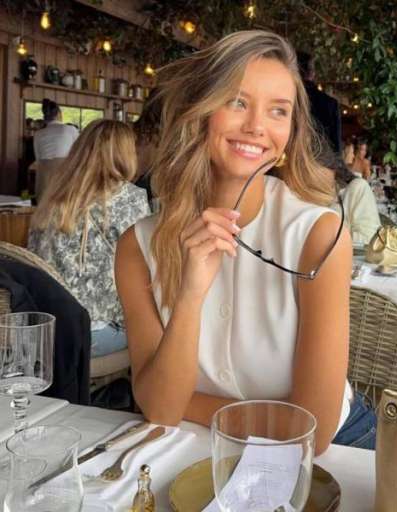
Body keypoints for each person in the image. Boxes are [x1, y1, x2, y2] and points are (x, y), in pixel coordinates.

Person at [115, 30, 376, 453]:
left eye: (278, 111)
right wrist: (190, 297)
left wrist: (188, 404)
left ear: (290, 132)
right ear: (199, 112)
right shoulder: (137, 248)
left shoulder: (318, 236)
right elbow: (160, 409)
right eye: (237, 102)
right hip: (200, 447)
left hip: (340, 451)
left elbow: (313, 430)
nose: (256, 127)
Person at [28, 120, 151, 359]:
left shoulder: (54, 196)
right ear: (127, 155)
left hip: (46, 328)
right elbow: (148, 264)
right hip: (96, 333)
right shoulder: (130, 198)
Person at [33, 99, 79, 200]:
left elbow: (37, 158)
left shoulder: (38, 133)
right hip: (64, 170)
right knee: (64, 201)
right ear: (59, 113)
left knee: (45, 202)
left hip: (44, 172)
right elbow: (79, 151)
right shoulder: (70, 129)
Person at [296, 51, 342, 155]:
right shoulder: (330, 103)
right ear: (312, 73)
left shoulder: (288, 99)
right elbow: (336, 148)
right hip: (322, 160)